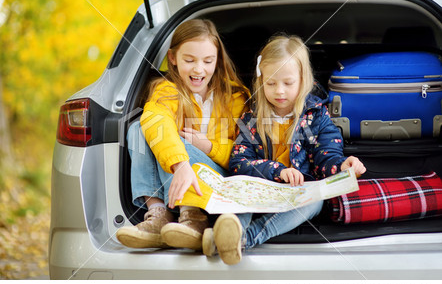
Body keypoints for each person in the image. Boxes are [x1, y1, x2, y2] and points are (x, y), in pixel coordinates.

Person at [201, 35, 366, 265]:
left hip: (297, 195)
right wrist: (277, 171)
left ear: (303, 80)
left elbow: (325, 155)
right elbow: (239, 160)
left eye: (288, 83)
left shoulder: (316, 116)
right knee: (240, 192)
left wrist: (341, 165)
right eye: (271, 83)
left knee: (314, 202)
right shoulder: (252, 116)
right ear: (261, 81)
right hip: (258, 191)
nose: (279, 91)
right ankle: (229, 231)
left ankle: (242, 239)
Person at [116, 19, 249, 251]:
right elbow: (155, 119)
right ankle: (158, 215)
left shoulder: (236, 98)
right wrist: (181, 164)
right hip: (180, 173)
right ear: (173, 58)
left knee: (178, 141)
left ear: (217, 61)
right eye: (189, 60)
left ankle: (194, 218)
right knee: (139, 129)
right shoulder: (167, 90)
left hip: (219, 179)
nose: (199, 69)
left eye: (208, 61)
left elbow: (246, 154)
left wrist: (208, 146)